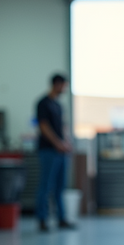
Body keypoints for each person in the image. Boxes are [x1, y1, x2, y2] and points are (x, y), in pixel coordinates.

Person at [35, 73, 75, 232]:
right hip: (48, 151)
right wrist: (57, 143)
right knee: (46, 185)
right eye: (64, 85)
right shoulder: (43, 103)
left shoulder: (58, 105)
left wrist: (66, 142)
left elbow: (62, 127)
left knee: (60, 187)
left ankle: (61, 219)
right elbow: (44, 126)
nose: (65, 89)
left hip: (61, 152)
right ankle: (42, 220)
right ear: (57, 84)